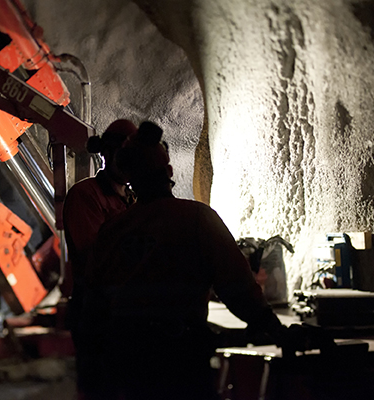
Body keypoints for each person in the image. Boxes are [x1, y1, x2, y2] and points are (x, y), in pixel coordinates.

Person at [80, 121, 320, 400]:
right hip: (180, 360)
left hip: (125, 362)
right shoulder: (197, 219)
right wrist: (277, 332)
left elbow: (93, 299)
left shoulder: (114, 230)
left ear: (130, 176)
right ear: (168, 171)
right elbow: (238, 289)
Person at [62, 118, 137, 397]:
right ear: (105, 154)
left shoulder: (134, 198)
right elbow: (94, 255)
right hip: (97, 314)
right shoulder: (85, 196)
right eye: (120, 154)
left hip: (126, 314)